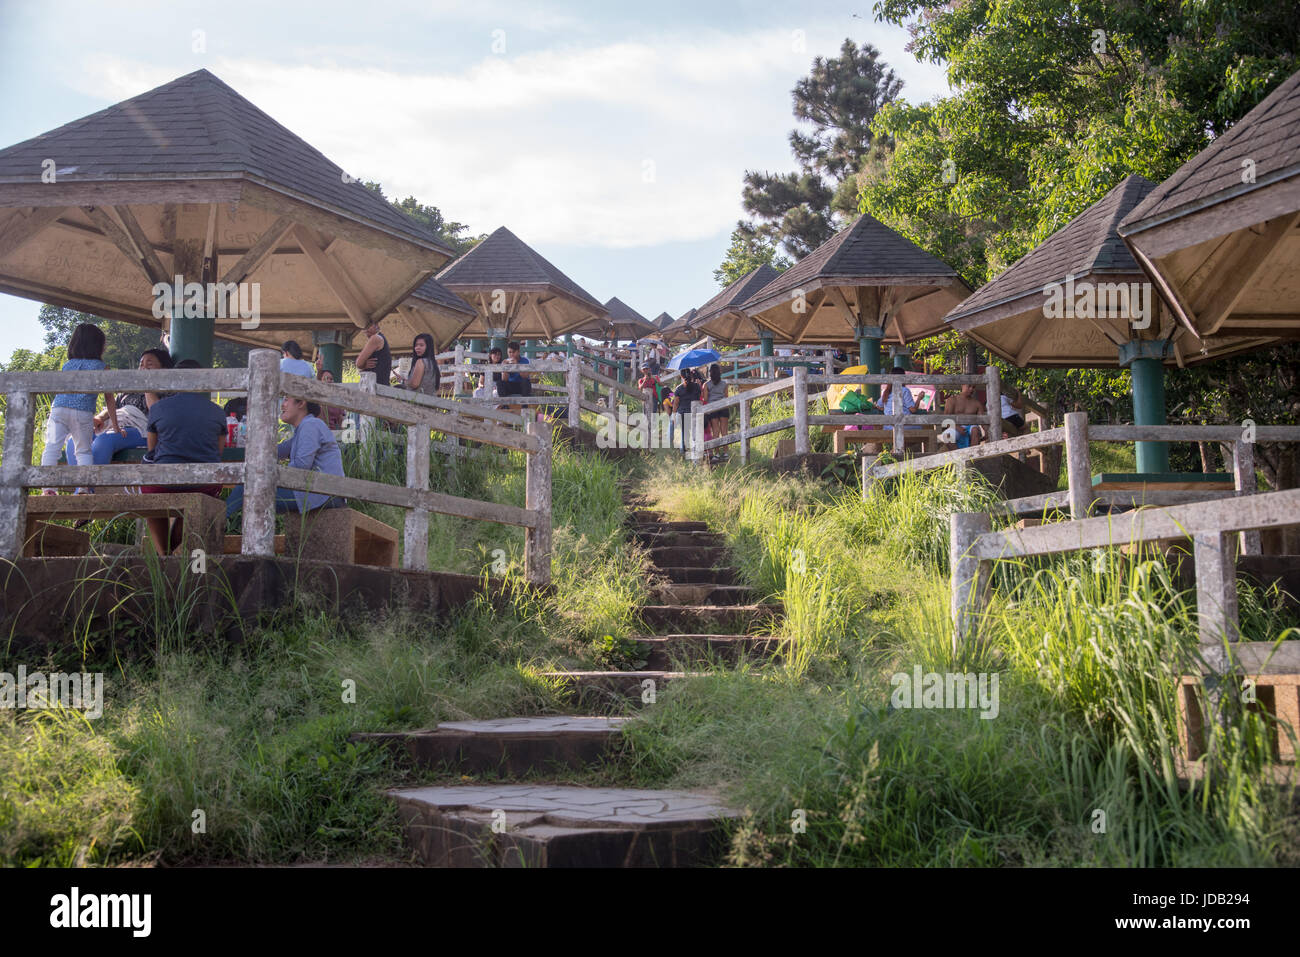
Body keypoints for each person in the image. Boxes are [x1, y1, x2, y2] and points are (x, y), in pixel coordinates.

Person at [141, 359, 226, 554]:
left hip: (164, 484)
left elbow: (152, 450)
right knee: (198, 494)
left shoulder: (158, 408)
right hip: (204, 484)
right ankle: (172, 549)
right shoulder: (217, 411)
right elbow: (218, 452)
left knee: (150, 482)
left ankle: (163, 553)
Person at [225, 395, 346, 521]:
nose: (282, 405)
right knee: (250, 487)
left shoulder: (311, 425)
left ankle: (218, 522)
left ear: (301, 403)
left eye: (286, 399)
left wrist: (269, 474)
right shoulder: (304, 428)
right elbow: (276, 451)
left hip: (323, 494)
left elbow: (301, 465)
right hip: (319, 492)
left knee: (246, 488)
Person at [40, 322, 120, 495]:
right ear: (98, 346)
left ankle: (47, 488)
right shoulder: (102, 367)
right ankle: (83, 487)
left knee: (52, 447)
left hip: (58, 410)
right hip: (82, 412)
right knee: (83, 450)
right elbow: (109, 399)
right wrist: (115, 425)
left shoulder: (68, 365)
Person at [67, 347, 172, 472]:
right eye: (141, 364)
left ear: (164, 368)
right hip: (118, 424)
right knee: (75, 439)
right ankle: (81, 487)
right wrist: (100, 418)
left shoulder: (165, 390)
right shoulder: (130, 388)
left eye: (149, 364)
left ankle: (89, 487)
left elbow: (157, 412)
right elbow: (114, 406)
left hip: (141, 429)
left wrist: (147, 386)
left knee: (105, 440)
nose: (143, 368)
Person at [940, 383, 986, 449]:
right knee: (947, 436)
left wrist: (987, 432)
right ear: (962, 385)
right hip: (955, 427)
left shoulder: (977, 403)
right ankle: (960, 457)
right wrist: (956, 427)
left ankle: (972, 456)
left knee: (975, 430)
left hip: (971, 427)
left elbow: (983, 421)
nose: (971, 389)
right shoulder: (952, 400)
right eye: (969, 386)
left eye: (973, 387)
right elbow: (946, 420)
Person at [700, 363, 730, 461]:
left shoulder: (706, 384)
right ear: (719, 372)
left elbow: (705, 398)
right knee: (724, 431)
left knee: (715, 431)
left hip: (713, 409)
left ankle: (717, 454)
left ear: (710, 373)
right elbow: (726, 396)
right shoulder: (724, 384)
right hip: (723, 407)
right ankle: (725, 452)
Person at [397, 333, 440, 397]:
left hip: (418, 400)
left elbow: (415, 384)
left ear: (428, 347)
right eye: (416, 345)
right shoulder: (433, 364)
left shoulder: (421, 362)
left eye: (421, 345)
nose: (417, 348)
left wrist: (403, 381)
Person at [672, 368, 702, 456]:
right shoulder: (696, 386)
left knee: (684, 433)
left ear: (681, 376)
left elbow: (676, 404)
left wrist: (673, 416)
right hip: (694, 413)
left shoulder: (679, 388)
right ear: (691, 375)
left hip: (682, 413)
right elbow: (699, 397)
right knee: (695, 433)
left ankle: (684, 451)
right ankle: (695, 451)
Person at [354, 319, 393, 386]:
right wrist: (364, 366)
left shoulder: (376, 338)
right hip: (381, 384)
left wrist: (363, 366)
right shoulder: (381, 338)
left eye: (368, 325)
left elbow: (358, 363)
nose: (365, 328)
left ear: (376, 325)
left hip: (375, 385)